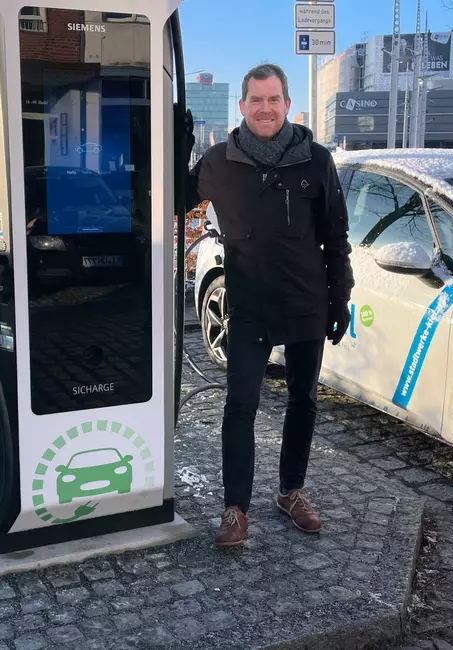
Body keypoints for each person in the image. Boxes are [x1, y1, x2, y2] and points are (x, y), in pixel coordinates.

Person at [181, 63, 355, 549]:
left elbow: (335, 237)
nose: (264, 108)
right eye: (255, 100)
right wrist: (176, 150)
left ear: (287, 104)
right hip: (250, 306)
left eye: (273, 99)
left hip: (305, 302)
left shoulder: (316, 160)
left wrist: (339, 296)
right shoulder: (219, 161)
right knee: (241, 404)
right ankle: (235, 507)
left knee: (303, 401)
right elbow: (175, 201)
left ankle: (290, 492)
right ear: (242, 106)